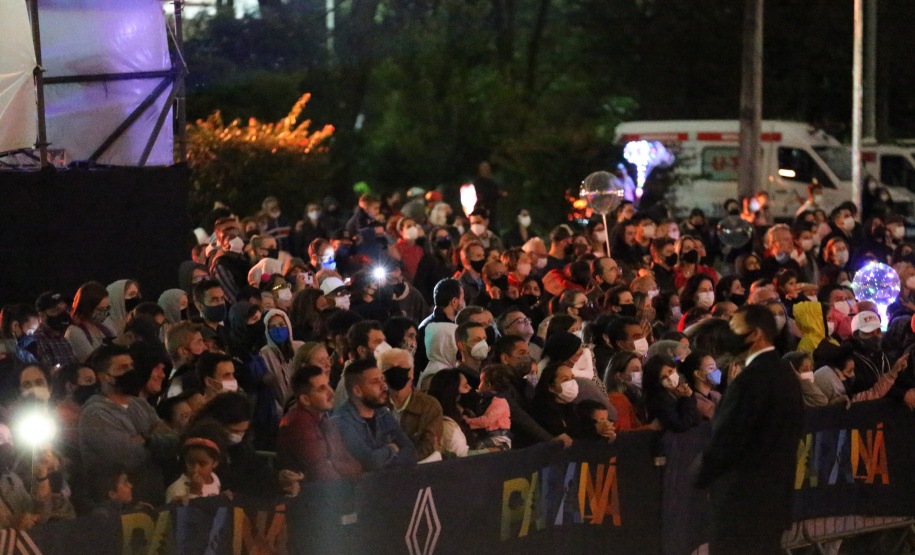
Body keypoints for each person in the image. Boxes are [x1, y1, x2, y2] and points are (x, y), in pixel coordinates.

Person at [693, 304, 804, 555]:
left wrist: (701, 474)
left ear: (755, 334)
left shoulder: (751, 379)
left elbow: (728, 436)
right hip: (774, 500)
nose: (728, 333)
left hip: (742, 504)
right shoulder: (785, 374)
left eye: (735, 327)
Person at [79, 344, 177, 505]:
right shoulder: (96, 414)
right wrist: (157, 440)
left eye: (131, 366)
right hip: (120, 508)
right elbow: (130, 457)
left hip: (154, 498)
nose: (130, 371)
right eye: (123, 368)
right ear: (103, 377)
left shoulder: (139, 404)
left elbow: (174, 441)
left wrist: (147, 440)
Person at [276, 364, 362, 482]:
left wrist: (336, 464)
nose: (331, 392)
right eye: (322, 389)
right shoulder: (299, 422)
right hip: (313, 491)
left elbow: (349, 461)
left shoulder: (324, 419)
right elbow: (321, 472)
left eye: (328, 385)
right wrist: (345, 472)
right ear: (305, 399)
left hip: (337, 487)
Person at [333, 359, 417, 471]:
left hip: (391, 480)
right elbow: (370, 462)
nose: (384, 386)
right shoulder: (341, 422)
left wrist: (385, 461)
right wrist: (392, 449)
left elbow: (411, 452)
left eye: (383, 380)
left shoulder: (383, 414)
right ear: (357, 391)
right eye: (375, 382)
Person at [380, 348, 443, 462]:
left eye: (401, 367)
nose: (396, 372)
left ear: (412, 373)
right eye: (389, 368)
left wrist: (398, 460)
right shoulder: (374, 405)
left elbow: (428, 446)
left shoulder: (429, 406)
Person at [65, 281, 114, 363]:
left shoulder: (104, 325)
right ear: (87, 308)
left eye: (107, 308)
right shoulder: (74, 332)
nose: (104, 313)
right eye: (100, 309)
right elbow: (93, 361)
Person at [165, 437, 224, 503]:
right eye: (191, 463)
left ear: (215, 463)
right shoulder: (177, 488)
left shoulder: (214, 478)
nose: (195, 469)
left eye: (202, 464)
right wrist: (193, 493)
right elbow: (176, 509)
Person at [31, 292, 77, 368]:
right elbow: (49, 371)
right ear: (42, 315)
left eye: (64, 309)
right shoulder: (38, 340)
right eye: (56, 310)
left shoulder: (63, 337)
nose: (62, 314)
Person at [681, 351, 721, 420]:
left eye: (716, 367)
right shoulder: (695, 402)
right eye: (711, 368)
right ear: (698, 374)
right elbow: (721, 416)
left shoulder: (715, 395)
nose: (716, 371)